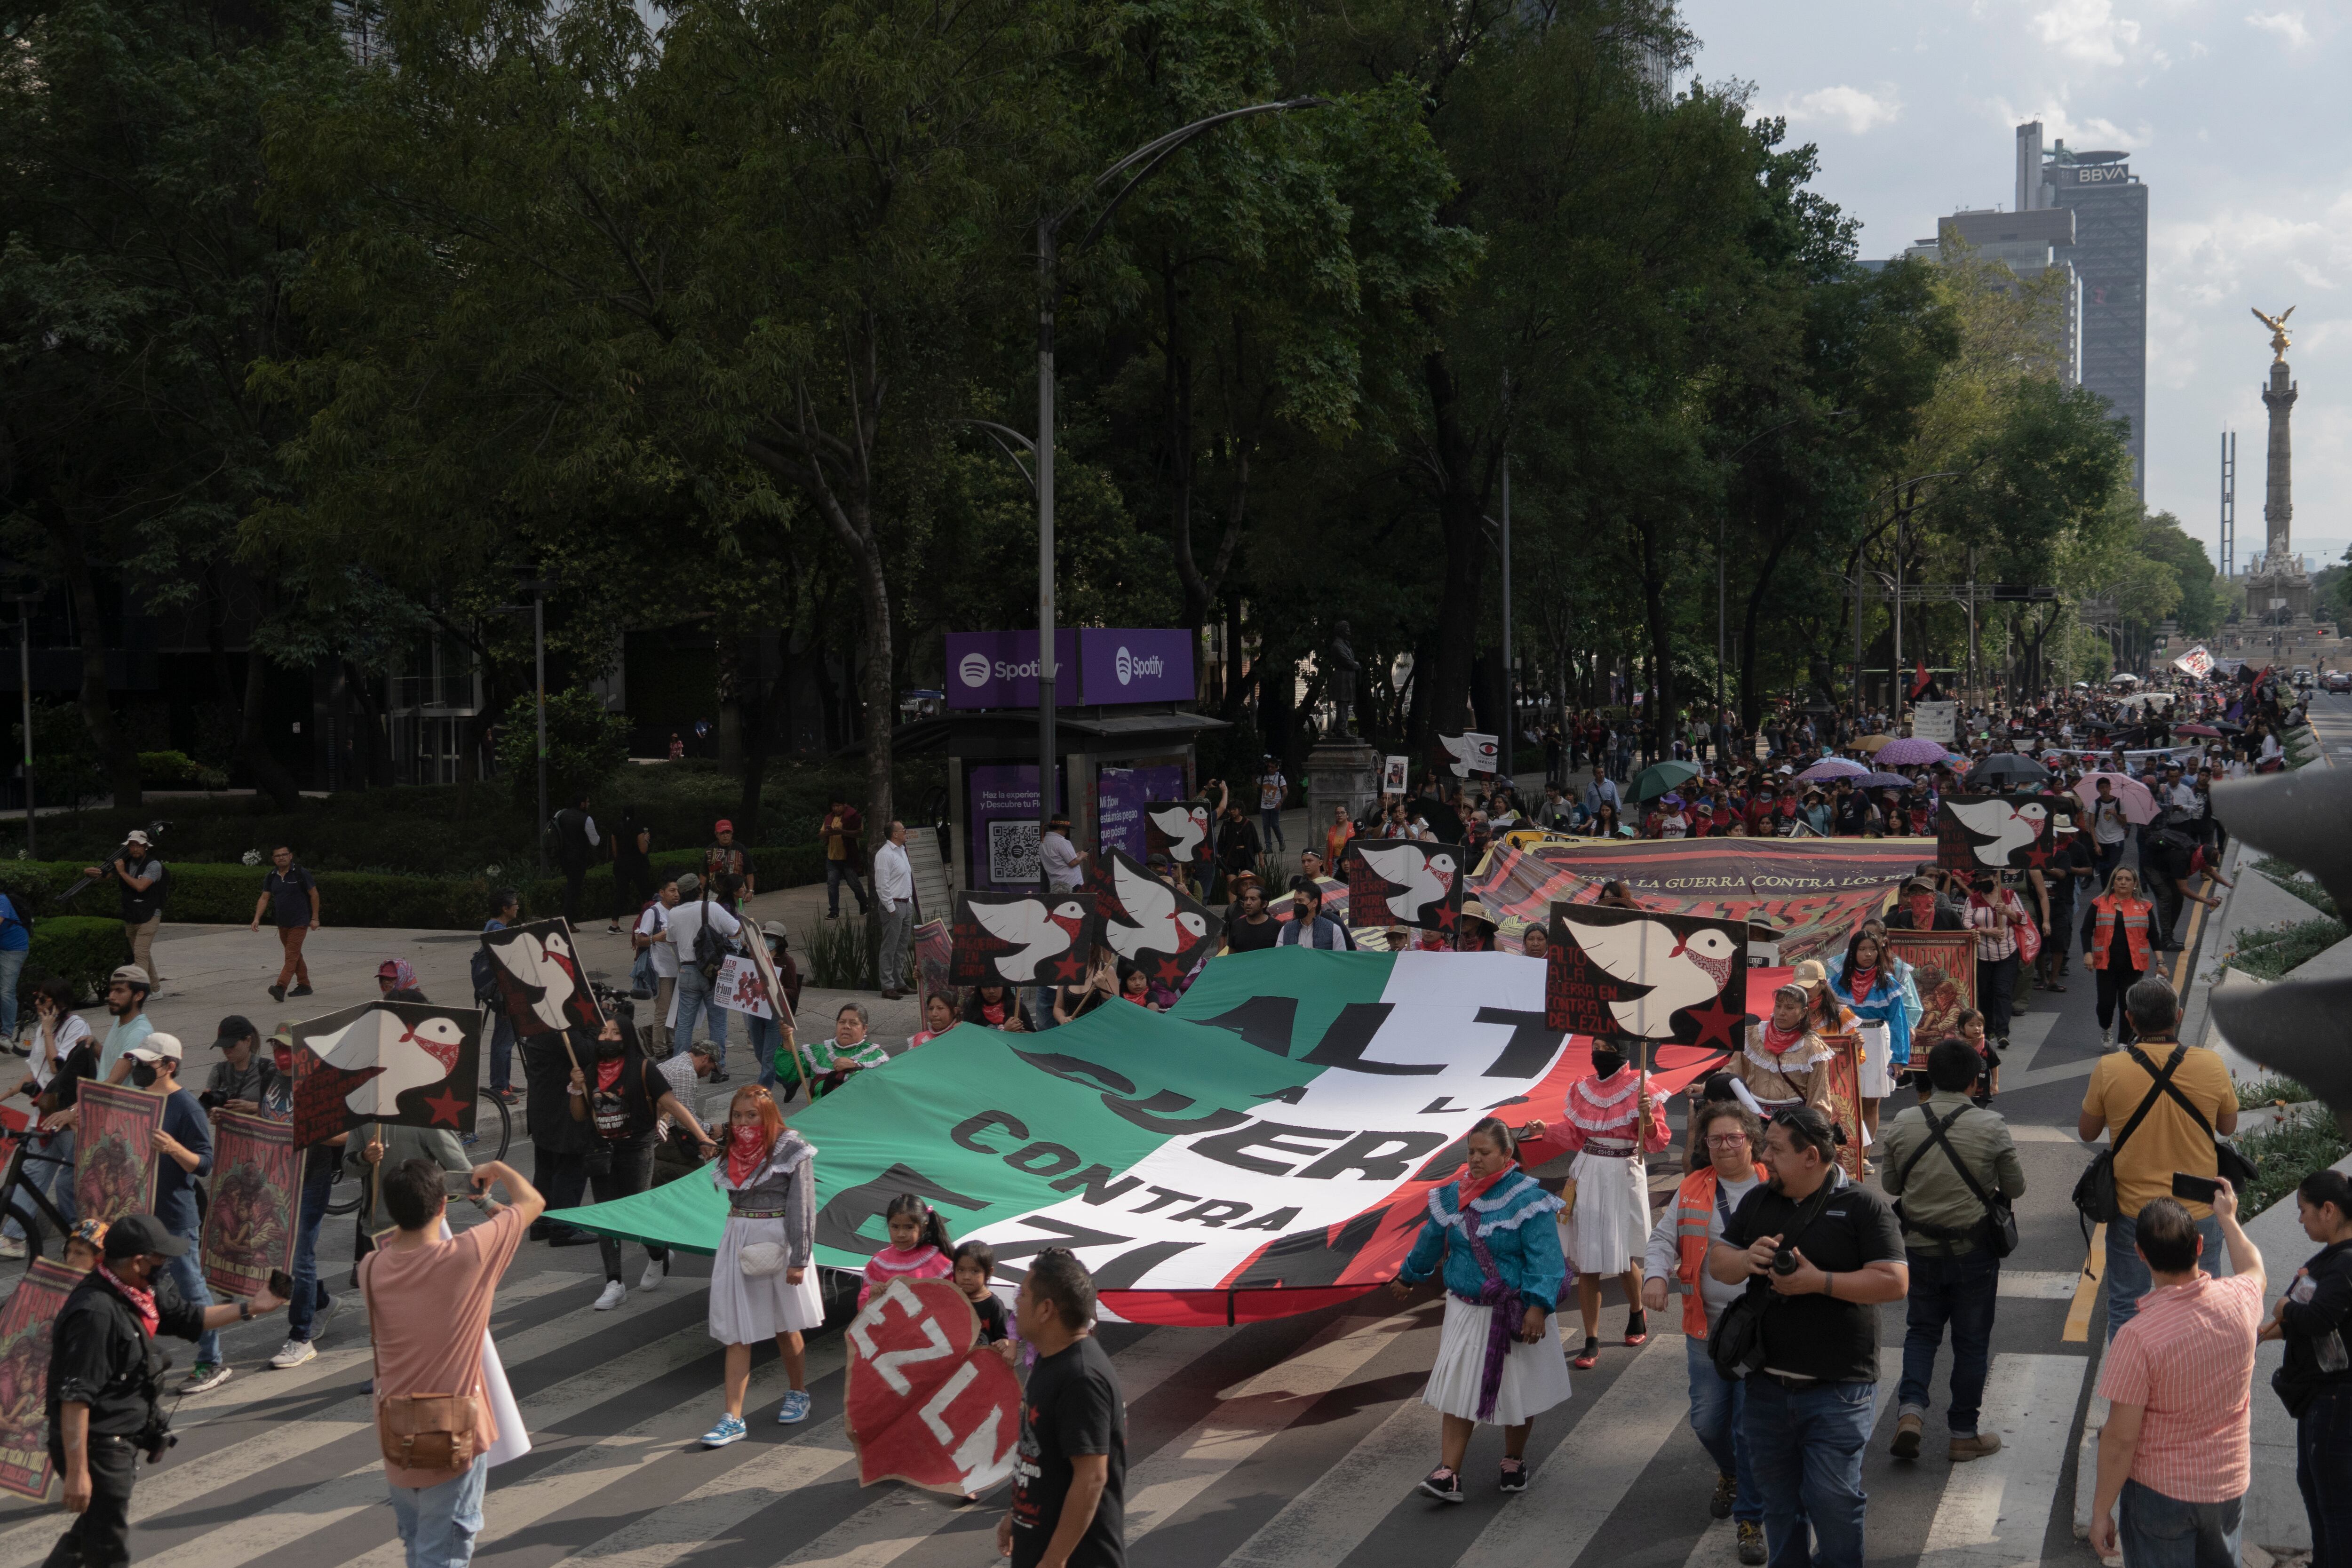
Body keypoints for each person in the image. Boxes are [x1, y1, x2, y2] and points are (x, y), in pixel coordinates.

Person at [1706, 1106, 1909, 1568]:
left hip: (1838, 1391)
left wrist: (1818, 1282)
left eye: (1775, 1149)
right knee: (1780, 1508)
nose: (1764, 1157)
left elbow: (1894, 1282)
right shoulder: (1759, 1201)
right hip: (1765, 1391)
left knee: (1833, 1503)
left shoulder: (1862, 1206)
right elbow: (1718, 1260)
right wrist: (1745, 1261)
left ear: (1810, 1157)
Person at [45, 1214, 288, 1568]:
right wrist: (79, 1472)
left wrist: (253, 1306)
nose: (164, 1264)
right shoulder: (95, 1312)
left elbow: (193, 1317)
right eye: (159, 1257)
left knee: (94, 1528)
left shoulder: (139, 1292)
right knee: (107, 1545)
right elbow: (75, 1396)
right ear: (138, 1261)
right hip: (97, 1443)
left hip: (121, 1437)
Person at [360, 1155, 545, 1568]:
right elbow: (532, 1200)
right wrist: (498, 1168)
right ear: (443, 1206)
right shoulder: (468, 1255)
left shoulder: (370, 1268)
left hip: (397, 1439)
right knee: (441, 1558)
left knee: (418, 1548)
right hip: (452, 1436)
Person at [1390, 1118, 1570, 1502]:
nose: (1475, 1159)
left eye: (1484, 1152)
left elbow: (1546, 1257)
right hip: (1465, 1308)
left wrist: (1538, 1306)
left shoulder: (1528, 1199)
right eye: (1471, 1151)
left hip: (1515, 1312)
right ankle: (1448, 1473)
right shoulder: (1452, 1197)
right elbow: (1430, 1240)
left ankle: (1514, 1460)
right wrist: (1409, 1275)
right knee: (1459, 1388)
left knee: (1519, 1391)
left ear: (1506, 1155)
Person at [2088, 1185, 2267, 1568]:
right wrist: (2228, 1218)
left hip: (2160, 1493)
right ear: (2200, 1245)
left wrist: (2101, 1510)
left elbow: (2120, 1439)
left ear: (2140, 1255)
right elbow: (2254, 1266)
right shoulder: (2242, 1299)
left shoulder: (2137, 1337)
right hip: (2228, 1483)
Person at [1880, 1038, 2026, 1464]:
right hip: (1974, 1253)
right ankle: (1963, 1433)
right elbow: (2015, 1187)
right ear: (1973, 1079)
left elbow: (1891, 1186)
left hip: (1919, 1249)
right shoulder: (1992, 1125)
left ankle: (1910, 1412)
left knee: (1921, 1332)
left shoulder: (1904, 1122)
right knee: (1971, 1343)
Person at [1643, 1100, 1771, 1564]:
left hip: (1761, 1335)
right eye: (1714, 1139)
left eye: (1733, 1137)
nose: (1723, 1147)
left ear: (1750, 1140)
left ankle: (1750, 1519)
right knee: (1706, 1422)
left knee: (1746, 1428)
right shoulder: (1693, 1187)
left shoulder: (1772, 1185)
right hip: (1706, 1331)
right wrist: (1654, 1275)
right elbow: (1662, 1239)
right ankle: (1732, 1474)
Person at [2079, 976, 2239, 1338]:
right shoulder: (2210, 1064)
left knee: (2125, 1303)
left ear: (2130, 1018)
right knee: (2202, 1303)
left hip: (2134, 1211)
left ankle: (2128, 1388)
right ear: (2178, 1016)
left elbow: (2087, 1132)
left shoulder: (2111, 1069)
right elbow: (2227, 1126)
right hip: (2199, 1210)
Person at [564, 1015, 717, 1306]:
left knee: (636, 1213)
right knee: (607, 1216)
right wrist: (575, 1089)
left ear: (627, 1038)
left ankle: (659, 1253)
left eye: (614, 1033)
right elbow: (580, 1115)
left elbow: (674, 1105)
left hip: (637, 1149)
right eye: (603, 1033)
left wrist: (702, 1136)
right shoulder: (591, 1072)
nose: (606, 1038)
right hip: (602, 1152)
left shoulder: (644, 1068)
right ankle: (614, 1282)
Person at [1534, 1039, 1667, 1370]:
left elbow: (1657, 1141)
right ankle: (1591, 1339)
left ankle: (1637, 1310)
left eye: (1608, 1046)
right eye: (1596, 1046)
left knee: (1624, 1259)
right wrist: (1545, 1130)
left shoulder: (1643, 1088)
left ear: (1623, 1050)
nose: (1600, 1053)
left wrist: (1648, 1117)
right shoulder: (1583, 1087)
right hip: (1589, 1171)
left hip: (1624, 1172)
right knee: (1587, 1259)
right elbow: (1577, 1135)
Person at [701, 1086, 821, 1446]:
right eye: (738, 1115)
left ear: (766, 1115)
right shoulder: (732, 1149)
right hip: (738, 1235)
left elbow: (803, 1204)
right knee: (737, 1330)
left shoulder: (792, 1147)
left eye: (751, 1115)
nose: (743, 1122)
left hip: (780, 1239)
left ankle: (798, 1392)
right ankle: (733, 1418)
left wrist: (799, 1258)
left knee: (786, 1325)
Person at [998, 1248, 1127, 1568]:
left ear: (1046, 1309)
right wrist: (1018, 1514)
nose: (1016, 1302)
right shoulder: (1051, 1359)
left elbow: (1091, 1476)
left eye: (1022, 1294)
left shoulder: (1082, 1377)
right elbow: (1045, 1457)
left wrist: (1055, 1559)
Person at [2261, 1168, 2352, 1564]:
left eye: (2303, 1211)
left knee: (2333, 1501)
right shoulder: (2332, 1260)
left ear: (2328, 1210)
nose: (2300, 1220)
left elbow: (2318, 1319)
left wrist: (2285, 1309)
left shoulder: (2345, 1263)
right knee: (2314, 1487)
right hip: (2319, 1398)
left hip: (2335, 1401)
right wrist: (2270, 1330)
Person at [260, 1021, 345, 1368]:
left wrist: (309, 1131)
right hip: (278, 1181)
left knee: (300, 1258)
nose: (281, 1054)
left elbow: (345, 1135)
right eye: (276, 1047)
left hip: (310, 1180)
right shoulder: (272, 1079)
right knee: (279, 1256)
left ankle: (301, 1337)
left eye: (288, 1048)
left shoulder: (319, 1084)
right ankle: (322, 1301)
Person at [1829, 930, 1913, 1145]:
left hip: (1876, 1039)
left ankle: (1864, 1154)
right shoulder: (1838, 982)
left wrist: (1899, 1058)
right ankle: (1846, 1150)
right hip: (1846, 1040)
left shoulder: (1889, 983)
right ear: (1853, 952)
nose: (1868, 954)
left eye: (1873, 949)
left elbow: (1899, 1022)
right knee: (1844, 1098)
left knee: (1871, 1100)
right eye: (1862, 949)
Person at [1723, 983, 1836, 1121]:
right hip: (1752, 1115)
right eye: (1778, 1006)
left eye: (1790, 1008)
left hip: (1792, 1121)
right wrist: (1703, 1087)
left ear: (1804, 1012)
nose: (1782, 1012)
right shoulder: (1753, 1036)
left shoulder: (1813, 1048)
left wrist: (1814, 1128)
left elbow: (1820, 1095)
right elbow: (1733, 1070)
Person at [667, 874, 742, 1078]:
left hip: (688, 971)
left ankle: (677, 1068)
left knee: (684, 1024)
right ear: (699, 889)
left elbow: (672, 940)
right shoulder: (711, 908)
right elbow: (736, 929)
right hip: (715, 972)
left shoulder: (673, 914)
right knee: (717, 1022)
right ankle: (718, 1068)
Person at [2082, 865, 2158, 1051]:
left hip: (2133, 965)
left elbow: (2154, 935)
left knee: (2128, 1005)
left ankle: (2124, 1041)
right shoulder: (2099, 903)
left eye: (2127, 879)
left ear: (2135, 884)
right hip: (2106, 964)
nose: (2123, 882)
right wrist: (2088, 954)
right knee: (2106, 1004)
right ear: (2113, 882)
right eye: (2119, 879)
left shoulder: (2144, 907)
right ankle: (2106, 1026)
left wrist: (2161, 962)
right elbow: (2085, 930)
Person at [84, 830, 166, 992]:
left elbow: (141, 887)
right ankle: (156, 989)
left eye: (138, 845)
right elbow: (104, 878)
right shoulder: (126, 863)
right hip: (132, 915)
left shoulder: (153, 865)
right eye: (132, 845)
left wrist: (121, 872)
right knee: (142, 953)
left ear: (146, 847)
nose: (135, 849)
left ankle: (141, 992)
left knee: (140, 955)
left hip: (150, 915)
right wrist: (89, 873)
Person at [1963, 873, 2026, 1052]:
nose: (1983, 883)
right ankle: (1989, 1029)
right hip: (1982, 955)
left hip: (2007, 953)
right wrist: (1987, 931)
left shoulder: (2008, 896)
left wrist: (2006, 911)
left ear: (1995, 878)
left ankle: (2002, 1032)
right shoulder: (1973, 900)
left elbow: (2024, 919)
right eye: (1980, 880)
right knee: (1985, 993)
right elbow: (1966, 922)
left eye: (1986, 879)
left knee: (2003, 991)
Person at [858, 1194, 955, 1308]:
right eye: (895, 1227)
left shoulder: (937, 1260)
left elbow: (953, 1300)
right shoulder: (879, 1263)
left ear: (923, 1227)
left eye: (909, 1227)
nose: (901, 1234)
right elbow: (865, 1309)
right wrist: (872, 1293)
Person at [251, 845, 321, 1004]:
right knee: (296, 955)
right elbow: (264, 898)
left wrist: (315, 918)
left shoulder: (301, 873)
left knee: (291, 955)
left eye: (284, 855)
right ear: (273, 859)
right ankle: (305, 985)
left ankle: (281, 987)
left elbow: (314, 894)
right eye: (278, 856)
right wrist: (257, 918)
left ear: (291, 856)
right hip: (283, 923)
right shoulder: (271, 876)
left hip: (300, 921)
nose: (281, 858)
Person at [634, 879, 681, 1061]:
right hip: (660, 969)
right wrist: (656, 938)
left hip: (679, 967)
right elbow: (641, 940)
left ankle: (668, 1043)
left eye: (678, 891)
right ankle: (660, 1049)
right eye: (672, 890)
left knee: (675, 1011)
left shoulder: (678, 912)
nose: (676, 894)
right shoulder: (653, 913)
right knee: (664, 1010)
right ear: (662, 892)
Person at [804, 1002, 890, 1094]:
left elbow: (883, 1088)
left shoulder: (876, 1057)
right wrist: (787, 1038)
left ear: (865, 1029)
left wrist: (855, 1067)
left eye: (853, 1023)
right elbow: (790, 1071)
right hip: (821, 1108)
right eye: (842, 1022)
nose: (846, 1027)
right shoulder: (820, 1052)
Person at [198, 1016, 274, 1114]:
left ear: (248, 1041)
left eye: (231, 1046)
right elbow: (208, 1113)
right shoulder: (219, 1071)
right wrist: (211, 1109)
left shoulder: (267, 1069)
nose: (226, 1051)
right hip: (228, 1128)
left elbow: (283, 1108)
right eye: (223, 1046)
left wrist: (253, 1107)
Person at [874, 820, 915, 1000]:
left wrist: (910, 902)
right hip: (894, 906)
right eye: (903, 830)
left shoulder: (902, 851)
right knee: (890, 947)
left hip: (906, 904)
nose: (906, 832)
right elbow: (882, 885)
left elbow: (905, 879)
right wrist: (891, 908)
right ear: (894, 834)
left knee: (902, 947)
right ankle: (887, 985)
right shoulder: (885, 855)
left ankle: (899, 982)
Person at [96, 965, 154, 1084]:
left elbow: (115, 1081)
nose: (111, 997)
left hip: (116, 1102)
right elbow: (113, 1061)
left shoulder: (138, 1033)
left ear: (138, 996)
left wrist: (83, 1100)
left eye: (120, 991)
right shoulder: (121, 1020)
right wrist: (94, 1045)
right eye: (111, 990)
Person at [817, 796, 870, 918]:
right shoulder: (829, 818)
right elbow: (820, 834)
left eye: (838, 806)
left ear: (844, 805)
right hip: (832, 857)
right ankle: (834, 911)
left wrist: (842, 832)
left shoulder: (852, 817)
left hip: (848, 857)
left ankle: (864, 902)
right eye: (834, 806)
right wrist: (828, 833)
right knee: (832, 885)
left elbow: (860, 833)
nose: (836, 808)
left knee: (854, 884)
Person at [552, 792, 601, 925]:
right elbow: (595, 841)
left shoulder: (560, 814)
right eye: (588, 802)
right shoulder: (586, 819)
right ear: (582, 804)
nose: (589, 804)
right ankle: (569, 922)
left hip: (563, 856)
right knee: (573, 889)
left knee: (570, 887)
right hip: (578, 859)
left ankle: (568, 918)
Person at [1275, 876, 1355, 949]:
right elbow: (1280, 958)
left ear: (1315, 903)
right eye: (1295, 901)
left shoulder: (1333, 930)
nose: (1297, 904)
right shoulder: (1286, 930)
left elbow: (1339, 959)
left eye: (1301, 901)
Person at [2088, 776, 2131, 879]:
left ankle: (2112, 889)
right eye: (2102, 788)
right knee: (2103, 869)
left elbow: (2124, 823)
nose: (2105, 790)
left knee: (2113, 866)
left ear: (2110, 788)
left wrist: (2116, 814)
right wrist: (2096, 845)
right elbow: (2092, 826)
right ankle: (2105, 891)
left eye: (2107, 787)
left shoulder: (2119, 803)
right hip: (2101, 840)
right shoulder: (2094, 804)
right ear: (2098, 789)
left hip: (2117, 839)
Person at [706, 818, 755, 907]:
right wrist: (701, 893)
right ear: (716, 834)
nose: (726, 836)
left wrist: (750, 891)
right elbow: (704, 873)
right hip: (715, 893)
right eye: (722, 833)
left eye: (728, 832)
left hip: (738, 893)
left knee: (739, 915)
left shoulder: (741, 848)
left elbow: (749, 871)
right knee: (714, 917)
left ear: (732, 833)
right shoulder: (710, 850)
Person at [1222, 877, 1277, 953]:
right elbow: (1232, 955)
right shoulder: (1237, 925)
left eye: (1253, 899)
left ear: (1264, 904)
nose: (1248, 903)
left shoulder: (1276, 926)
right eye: (1246, 899)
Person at [1040, 814, 1085, 894]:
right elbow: (1073, 863)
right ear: (1062, 828)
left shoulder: (1043, 843)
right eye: (1066, 829)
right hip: (1072, 884)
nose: (1067, 832)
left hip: (1056, 885)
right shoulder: (1062, 842)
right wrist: (1082, 856)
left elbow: (1057, 860)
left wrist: (1075, 855)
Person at [962, 983, 1033, 1032]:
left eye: (996, 986)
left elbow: (1032, 1037)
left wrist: (1020, 1031)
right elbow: (968, 1038)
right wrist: (1004, 1030)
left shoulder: (1017, 1007)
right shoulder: (972, 1009)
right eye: (986, 987)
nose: (991, 991)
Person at [1257, 758, 1288, 852]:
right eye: (1269, 767)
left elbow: (1285, 792)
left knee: (1275, 825)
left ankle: (1281, 841)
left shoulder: (1280, 778)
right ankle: (1269, 847)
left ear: (1277, 768)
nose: (1270, 769)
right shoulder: (1264, 777)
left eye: (1273, 767)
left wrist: (1280, 802)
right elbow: (1256, 785)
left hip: (1275, 806)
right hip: (1265, 806)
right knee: (1266, 826)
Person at [1324, 803, 1354, 870]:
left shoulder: (1354, 828)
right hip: (1335, 862)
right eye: (1337, 813)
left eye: (1342, 813)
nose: (1340, 815)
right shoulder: (1331, 829)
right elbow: (1327, 849)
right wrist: (1324, 866)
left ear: (1347, 815)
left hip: (1350, 861)